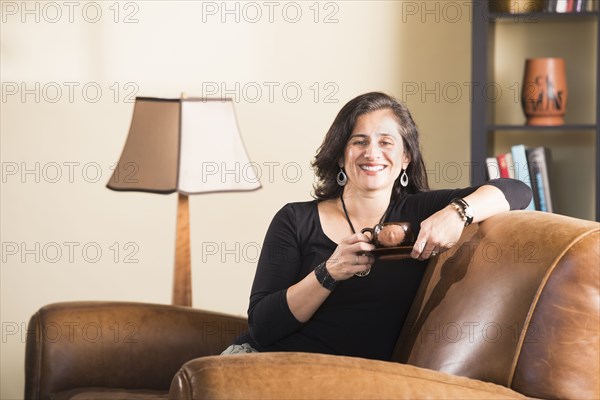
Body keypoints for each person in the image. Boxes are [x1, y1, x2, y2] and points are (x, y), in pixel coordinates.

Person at [222, 92, 532, 360]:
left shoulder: (420, 211)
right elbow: (262, 329)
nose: (372, 153)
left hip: (351, 382)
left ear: (406, 157)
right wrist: (328, 272)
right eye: (359, 142)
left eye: (386, 142)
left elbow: (517, 190)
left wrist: (458, 212)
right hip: (260, 365)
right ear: (342, 157)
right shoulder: (294, 219)